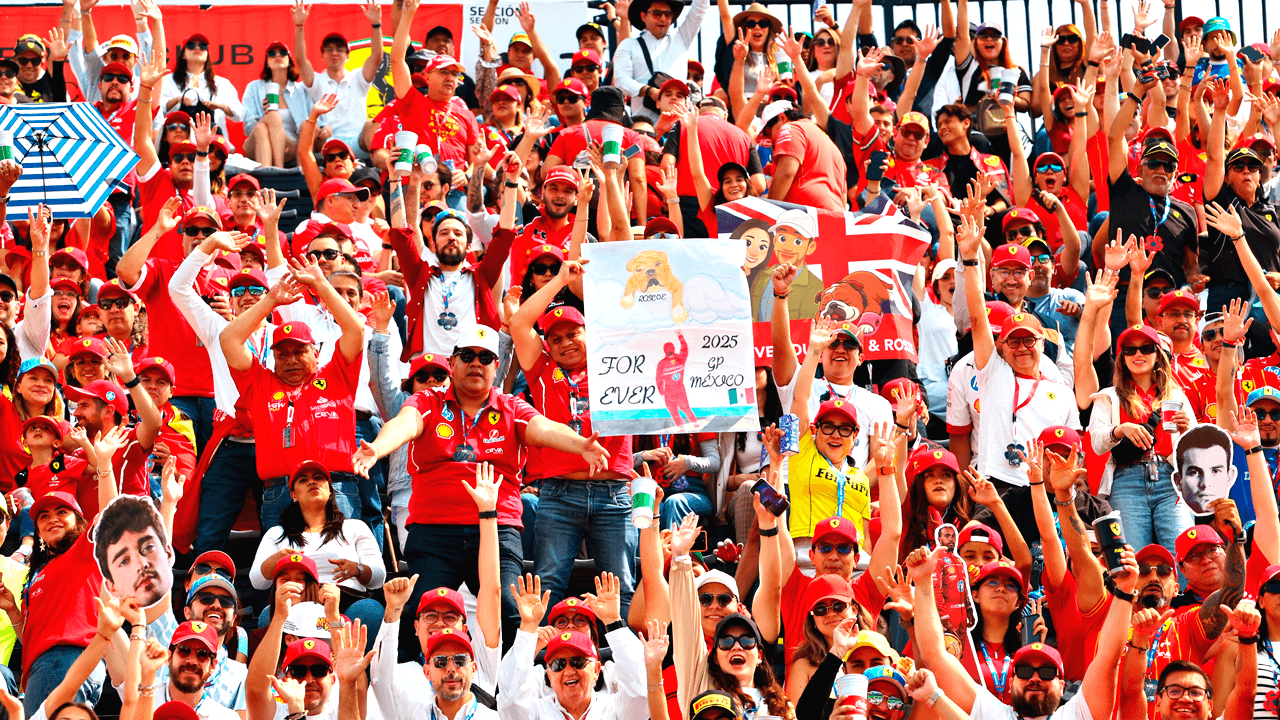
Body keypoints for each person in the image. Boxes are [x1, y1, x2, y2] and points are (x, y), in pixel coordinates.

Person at [510, 262, 637, 614]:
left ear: (589, 334)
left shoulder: (614, 359)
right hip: (560, 494)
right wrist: (559, 282)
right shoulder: (542, 370)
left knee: (621, 588)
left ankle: (620, 661)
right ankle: (544, 661)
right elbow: (518, 323)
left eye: (573, 334)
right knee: (549, 584)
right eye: (556, 337)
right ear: (547, 345)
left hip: (613, 495)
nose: (565, 343)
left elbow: (629, 316)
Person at [219, 257, 366, 529]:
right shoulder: (260, 382)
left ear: (316, 351)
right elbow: (229, 339)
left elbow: (355, 329)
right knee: (286, 570)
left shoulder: (337, 374)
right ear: (272, 357)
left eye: (299, 351)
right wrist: (271, 300)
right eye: (282, 354)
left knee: (340, 568)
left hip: (338, 487)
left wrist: (320, 284)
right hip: (281, 492)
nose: (291, 360)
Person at [249, 460, 385, 633]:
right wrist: (278, 558)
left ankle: (358, 660)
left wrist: (357, 569)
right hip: (298, 605)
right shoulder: (276, 534)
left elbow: (378, 578)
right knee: (268, 615)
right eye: (303, 480)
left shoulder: (355, 527)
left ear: (330, 490)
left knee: (370, 610)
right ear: (293, 495)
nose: (311, 482)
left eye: (318, 478)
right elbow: (257, 581)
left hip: (346, 607)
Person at [497, 574, 648, 720]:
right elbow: (511, 705)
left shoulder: (614, 706)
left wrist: (614, 623)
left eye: (578, 662)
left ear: (596, 669)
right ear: (549, 674)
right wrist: (527, 636)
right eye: (558, 664)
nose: (568, 670)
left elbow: (640, 694)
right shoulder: (537, 707)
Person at [293, 1, 384, 161]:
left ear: (348, 55)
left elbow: (376, 57)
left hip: (357, 144)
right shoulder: (318, 81)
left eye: (340, 49)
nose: (334, 53)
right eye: (329, 49)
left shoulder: (358, 78)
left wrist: (376, 25)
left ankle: (385, 172)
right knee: (307, 126)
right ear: (322, 55)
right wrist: (299, 25)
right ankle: (302, 177)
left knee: (373, 124)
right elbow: (300, 60)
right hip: (328, 143)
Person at [155, 621, 239, 719]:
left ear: (213, 666)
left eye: (203, 654)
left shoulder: (226, 718)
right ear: (169, 657)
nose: (192, 661)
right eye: (184, 650)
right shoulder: (143, 700)